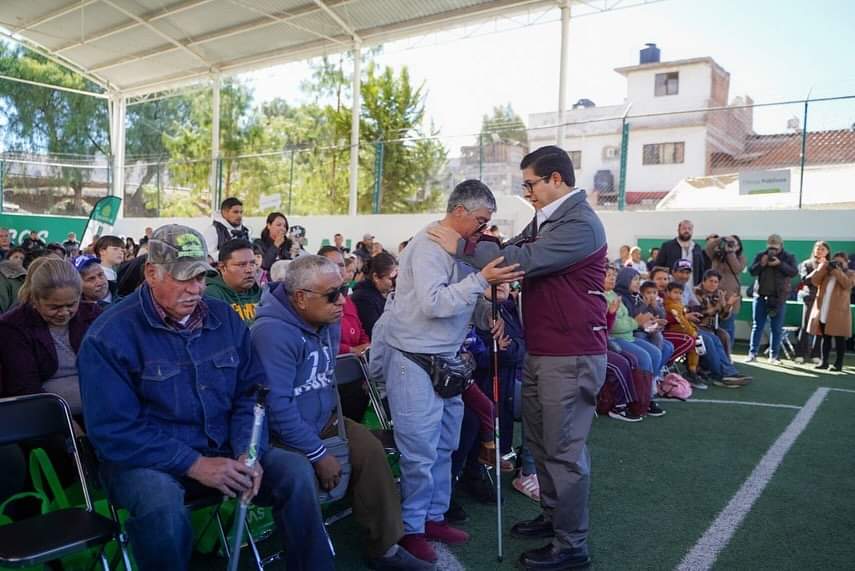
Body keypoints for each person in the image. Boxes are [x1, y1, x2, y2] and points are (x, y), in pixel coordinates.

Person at [77, 224, 332, 571]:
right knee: (161, 502)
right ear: (151, 273)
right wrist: (194, 464)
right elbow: (114, 431)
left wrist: (248, 451)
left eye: (200, 276)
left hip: (223, 447)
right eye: (183, 278)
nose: (196, 288)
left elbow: (250, 394)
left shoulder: (223, 317)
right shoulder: (109, 335)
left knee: (294, 470)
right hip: (144, 460)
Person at [429, 146, 608, 570]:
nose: (526, 192)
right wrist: (482, 248)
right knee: (542, 443)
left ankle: (571, 546)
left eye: (530, 184)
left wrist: (463, 244)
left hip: (570, 353)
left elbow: (517, 260)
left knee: (563, 451)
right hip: (545, 349)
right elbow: (510, 246)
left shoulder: (580, 224)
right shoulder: (548, 218)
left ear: (556, 179)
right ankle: (554, 517)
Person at [373, 179, 521, 564]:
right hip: (413, 358)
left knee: (444, 444)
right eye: (481, 220)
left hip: (446, 358)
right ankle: (411, 528)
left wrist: (488, 314)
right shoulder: (427, 246)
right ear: (459, 211)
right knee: (419, 450)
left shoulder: (459, 248)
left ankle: (433, 516)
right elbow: (435, 303)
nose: (483, 229)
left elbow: (464, 299)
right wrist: (481, 281)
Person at [251, 255, 429, 570]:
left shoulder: (328, 321)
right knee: (300, 473)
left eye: (343, 290)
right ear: (300, 298)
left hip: (323, 419)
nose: (342, 301)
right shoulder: (270, 333)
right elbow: (277, 408)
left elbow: (324, 381)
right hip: (279, 435)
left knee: (370, 450)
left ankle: (385, 549)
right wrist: (318, 452)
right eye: (332, 294)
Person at [0, 257, 100, 415]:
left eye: (71, 304)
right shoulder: (13, 327)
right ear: (35, 300)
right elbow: (26, 388)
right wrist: (64, 422)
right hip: (45, 415)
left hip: (102, 408)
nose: (64, 313)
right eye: (54, 307)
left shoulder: (92, 315)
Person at [746, 234, 798, 365]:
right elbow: (751, 271)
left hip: (779, 298)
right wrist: (761, 264)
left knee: (776, 328)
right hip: (760, 296)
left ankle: (774, 356)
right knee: (757, 326)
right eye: (770, 248)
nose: (772, 251)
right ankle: (752, 354)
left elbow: (793, 272)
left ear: (781, 246)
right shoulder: (761, 255)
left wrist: (780, 264)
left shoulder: (788, 257)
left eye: (775, 248)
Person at [807, 252, 853, 371]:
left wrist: (836, 271)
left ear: (846, 263)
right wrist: (823, 267)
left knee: (839, 339)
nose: (837, 264)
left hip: (839, 312)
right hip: (824, 310)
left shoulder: (851, 273)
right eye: (835, 262)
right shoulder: (827, 274)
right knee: (825, 337)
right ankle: (824, 362)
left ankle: (838, 364)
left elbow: (847, 285)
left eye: (840, 262)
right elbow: (814, 281)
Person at [204, 239, 260, 325]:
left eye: (252, 263)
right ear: (222, 267)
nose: (249, 270)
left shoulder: (264, 294)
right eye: (241, 265)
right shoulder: (210, 296)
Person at [705, 234, 746, 350]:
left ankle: (727, 352)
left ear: (739, 247)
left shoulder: (741, 258)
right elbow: (708, 248)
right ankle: (714, 351)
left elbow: (737, 268)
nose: (731, 245)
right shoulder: (716, 256)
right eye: (729, 243)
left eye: (734, 244)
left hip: (730, 298)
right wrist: (721, 239)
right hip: (713, 296)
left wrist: (730, 252)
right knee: (710, 326)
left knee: (727, 327)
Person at [795, 240, 829, 364]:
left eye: (822, 249)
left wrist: (825, 266)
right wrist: (818, 268)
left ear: (827, 252)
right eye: (817, 248)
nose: (819, 251)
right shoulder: (806, 264)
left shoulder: (830, 265)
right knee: (805, 326)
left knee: (820, 327)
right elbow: (805, 280)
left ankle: (816, 354)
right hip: (809, 298)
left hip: (824, 299)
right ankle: (800, 354)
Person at [351, 252, 398, 338]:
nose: (396, 282)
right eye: (391, 279)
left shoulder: (385, 294)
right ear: (376, 277)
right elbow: (375, 332)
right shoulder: (363, 299)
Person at [694, 269, 740, 355]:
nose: (713, 284)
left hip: (712, 327)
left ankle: (726, 360)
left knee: (725, 336)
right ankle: (712, 361)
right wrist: (716, 308)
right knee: (711, 337)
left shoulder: (719, 293)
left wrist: (728, 305)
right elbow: (700, 312)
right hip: (697, 326)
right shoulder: (696, 292)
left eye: (716, 282)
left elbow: (723, 316)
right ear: (704, 281)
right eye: (711, 281)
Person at [654, 220, 709, 286]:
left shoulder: (697, 247)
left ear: (692, 231)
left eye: (689, 229)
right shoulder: (667, 246)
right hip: (671, 287)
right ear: (678, 230)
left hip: (692, 287)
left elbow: (701, 269)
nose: (687, 231)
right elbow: (658, 267)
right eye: (684, 228)